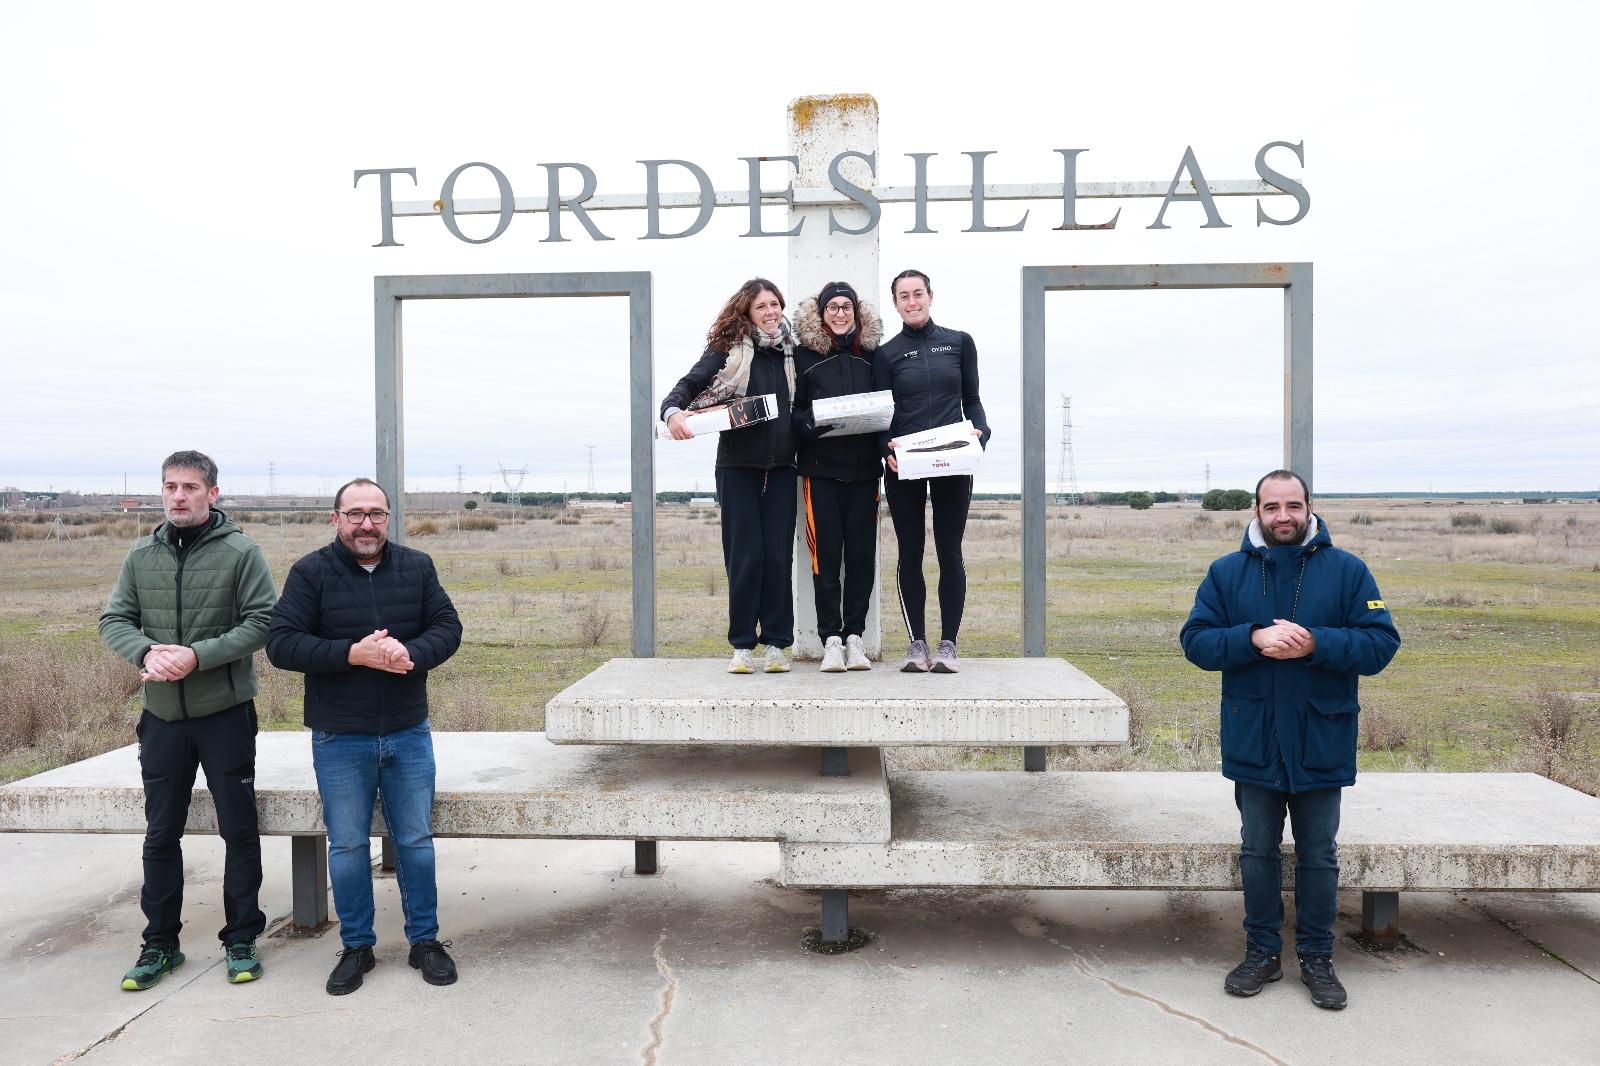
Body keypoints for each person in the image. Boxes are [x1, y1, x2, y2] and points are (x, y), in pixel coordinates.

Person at [1179, 470, 1400, 1011]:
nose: (1284, 516)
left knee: (1319, 855)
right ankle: (1261, 952)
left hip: (1321, 737)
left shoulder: (1347, 571)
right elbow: (1196, 641)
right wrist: (1252, 638)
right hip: (1254, 737)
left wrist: (1315, 645)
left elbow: (1380, 644)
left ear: (1309, 508)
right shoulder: (1227, 573)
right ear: (1256, 511)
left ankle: (1317, 956)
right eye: (1272, 506)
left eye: (1293, 506)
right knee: (1257, 851)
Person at [266, 478, 463, 996]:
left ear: (388, 518)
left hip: (408, 732)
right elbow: (281, 644)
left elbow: (448, 627)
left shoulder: (417, 567)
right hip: (340, 738)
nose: (366, 524)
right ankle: (357, 946)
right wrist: (352, 654)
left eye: (376, 513)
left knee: (415, 840)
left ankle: (425, 941)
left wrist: (410, 653)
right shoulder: (310, 572)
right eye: (355, 514)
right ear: (336, 519)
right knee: (348, 844)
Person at [98, 450, 277, 990]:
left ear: (212, 494)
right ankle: (160, 943)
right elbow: (114, 619)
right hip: (161, 718)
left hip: (224, 715)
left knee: (238, 830)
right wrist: (146, 652)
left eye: (190, 487)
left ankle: (241, 938)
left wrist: (197, 656)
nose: (178, 496)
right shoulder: (141, 555)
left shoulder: (242, 552)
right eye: (170, 486)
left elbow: (263, 621)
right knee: (161, 834)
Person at [661, 278, 799, 674]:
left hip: (783, 468)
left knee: (777, 556)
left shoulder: (792, 352)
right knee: (745, 556)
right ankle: (742, 645)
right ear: (747, 312)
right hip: (737, 467)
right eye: (761, 306)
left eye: (775, 304)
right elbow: (689, 385)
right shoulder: (728, 350)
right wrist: (672, 412)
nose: (770, 312)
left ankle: (777, 644)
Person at [873, 269, 990, 673]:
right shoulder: (885, 355)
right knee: (910, 551)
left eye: (917, 293)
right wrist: (883, 448)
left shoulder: (959, 343)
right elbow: (882, 415)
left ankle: (948, 645)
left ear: (930, 296)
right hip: (904, 463)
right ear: (896, 304)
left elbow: (972, 400)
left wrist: (982, 431)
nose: (912, 302)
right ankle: (917, 644)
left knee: (949, 550)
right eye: (903, 296)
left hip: (953, 460)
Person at [791, 281, 884, 672]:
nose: (840, 313)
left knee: (861, 559)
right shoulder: (802, 356)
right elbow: (795, 412)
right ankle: (831, 639)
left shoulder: (874, 356)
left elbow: (888, 407)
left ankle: (855, 638)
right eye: (833, 307)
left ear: (857, 313)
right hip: (821, 474)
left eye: (847, 307)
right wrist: (809, 425)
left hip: (865, 474)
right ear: (821, 313)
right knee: (825, 559)